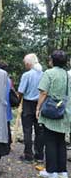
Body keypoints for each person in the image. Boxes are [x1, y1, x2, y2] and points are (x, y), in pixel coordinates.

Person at [37, 50, 70, 178]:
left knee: (50, 141)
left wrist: (38, 107)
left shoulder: (49, 73)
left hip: (51, 111)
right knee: (61, 141)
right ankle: (62, 171)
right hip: (63, 111)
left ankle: (51, 171)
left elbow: (43, 92)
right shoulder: (67, 75)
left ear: (52, 60)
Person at [17, 53, 44, 162]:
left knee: (27, 130)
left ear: (28, 63)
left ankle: (28, 154)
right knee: (40, 130)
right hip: (40, 104)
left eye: (25, 63)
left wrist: (18, 101)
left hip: (28, 104)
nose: (25, 65)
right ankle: (39, 155)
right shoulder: (44, 74)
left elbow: (21, 91)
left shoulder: (27, 75)